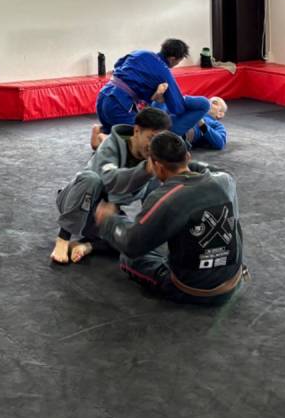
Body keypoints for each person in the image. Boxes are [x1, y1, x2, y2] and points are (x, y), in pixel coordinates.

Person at [94, 131, 248, 305]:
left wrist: (109, 221)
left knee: (130, 258)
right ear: (187, 156)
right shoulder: (226, 180)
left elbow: (132, 244)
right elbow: (217, 171)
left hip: (193, 290)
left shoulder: (167, 197)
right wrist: (183, 164)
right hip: (232, 282)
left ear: (157, 166)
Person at [52, 107, 172, 265]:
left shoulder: (151, 160)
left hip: (101, 213)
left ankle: (86, 246)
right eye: (151, 138)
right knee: (91, 179)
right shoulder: (110, 145)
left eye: (158, 141)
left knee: (132, 240)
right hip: (75, 200)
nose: (152, 146)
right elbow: (108, 179)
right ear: (137, 131)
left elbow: (146, 197)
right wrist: (113, 200)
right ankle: (63, 239)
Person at [93, 39, 217, 143]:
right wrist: (180, 99)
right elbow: (177, 108)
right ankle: (104, 139)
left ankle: (103, 132)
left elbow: (117, 65)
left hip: (103, 95)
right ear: (173, 59)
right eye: (178, 62)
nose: (176, 65)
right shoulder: (164, 72)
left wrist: (148, 91)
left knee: (117, 129)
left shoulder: (141, 53)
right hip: (119, 103)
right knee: (139, 141)